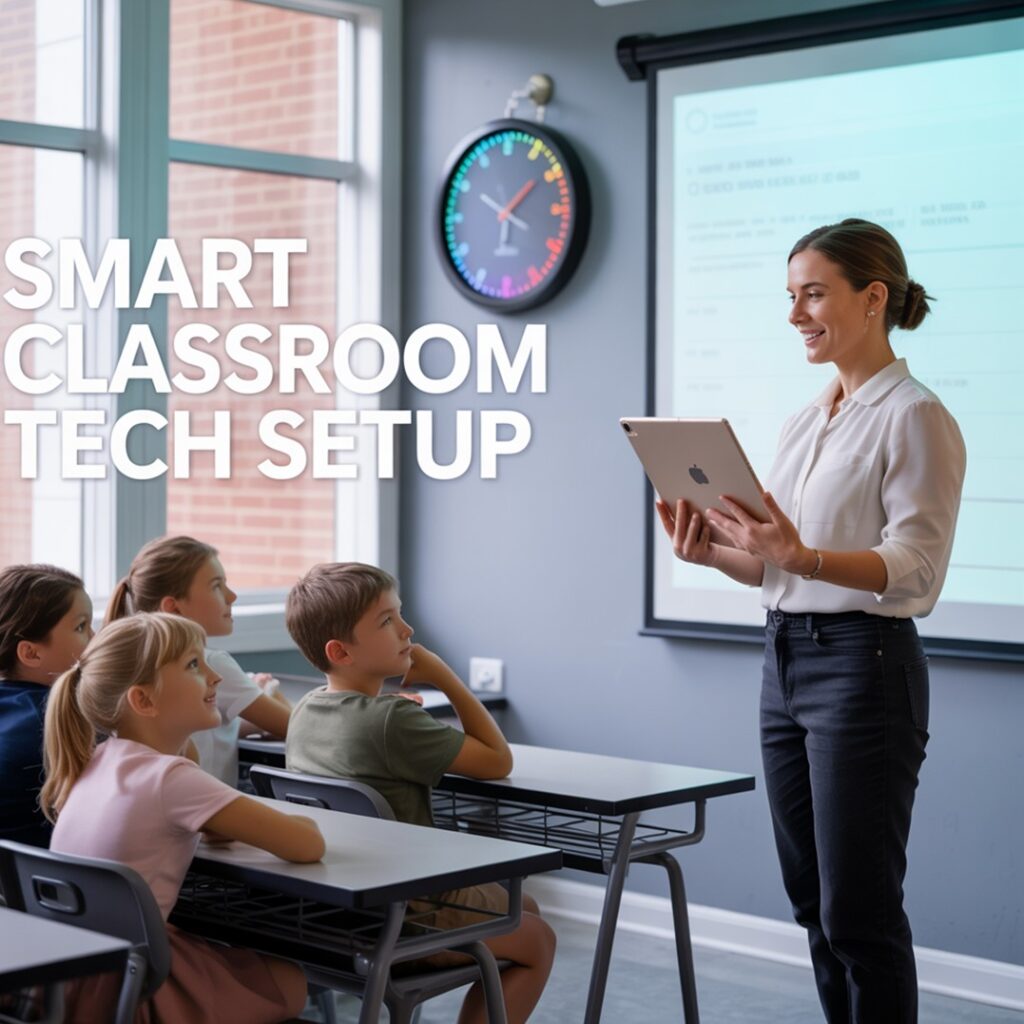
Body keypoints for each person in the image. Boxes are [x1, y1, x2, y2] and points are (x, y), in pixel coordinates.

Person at [656, 218, 966, 1024]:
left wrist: (802, 559)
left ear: (873, 299)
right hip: (785, 658)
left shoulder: (915, 416)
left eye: (814, 294)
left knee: (859, 915)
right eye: (790, 297)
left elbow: (917, 570)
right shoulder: (805, 419)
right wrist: (714, 555)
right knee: (814, 906)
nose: (796, 314)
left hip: (865, 666)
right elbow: (774, 564)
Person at [284, 562, 556, 1024]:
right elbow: (497, 760)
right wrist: (444, 676)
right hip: (408, 916)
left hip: (337, 912)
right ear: (341, 651)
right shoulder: (393, 720)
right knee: (539, 939)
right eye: (387, 621)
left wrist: (388, 711)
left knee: (521, 908)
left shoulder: (305, 710)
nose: (408, 630)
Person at [41, 611, 324, 1023]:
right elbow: (307, 845)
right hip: (138, 988)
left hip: (78, 978)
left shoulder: (100, 758)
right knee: (291, 981)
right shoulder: (169, 778)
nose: (215, 677)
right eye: (194, 665)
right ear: (143, 700)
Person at [106, 535, 292, 784]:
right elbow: (295, 728)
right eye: (216, 586)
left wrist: (253, 720)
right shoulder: (210, 665)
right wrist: (272, 696)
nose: (232, 596)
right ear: (173, 607)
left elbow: (207, 735)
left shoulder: (127, 660)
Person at [0, 564, 93, 848]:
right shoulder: (58, 722)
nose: (95, 638)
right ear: (31, 653)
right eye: (81, 627)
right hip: (42, 888)